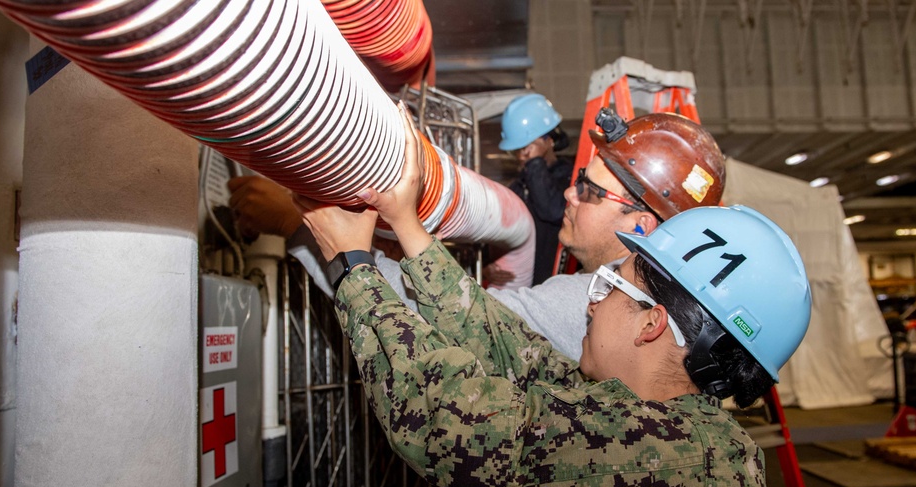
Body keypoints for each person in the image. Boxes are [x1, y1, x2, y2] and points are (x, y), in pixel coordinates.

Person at [296, 103, 812, 487]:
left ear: (651, 324)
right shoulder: (649, 416)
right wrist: (407, 225)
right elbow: (508, 346)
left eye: (611, 286)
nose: (591, 301)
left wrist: (351, 267)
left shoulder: (666, 459)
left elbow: (446, 419)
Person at [228, 105, 725, 362]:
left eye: (590, 192)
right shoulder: (659, 311)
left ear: (642, 225)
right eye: (576, 182)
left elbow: (446, 327)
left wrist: (302, 228)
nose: (570, 197)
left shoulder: (594, 309)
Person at [497, 93, 574, 286]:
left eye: (528, 147)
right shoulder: (519, 186)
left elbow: (553, 210)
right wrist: (492, 264)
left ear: (550, 140)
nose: (522, 155)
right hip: (525, 289)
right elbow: (500, 233)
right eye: (518, 150)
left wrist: (535, 163)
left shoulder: (572, 178)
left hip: (557, 288)